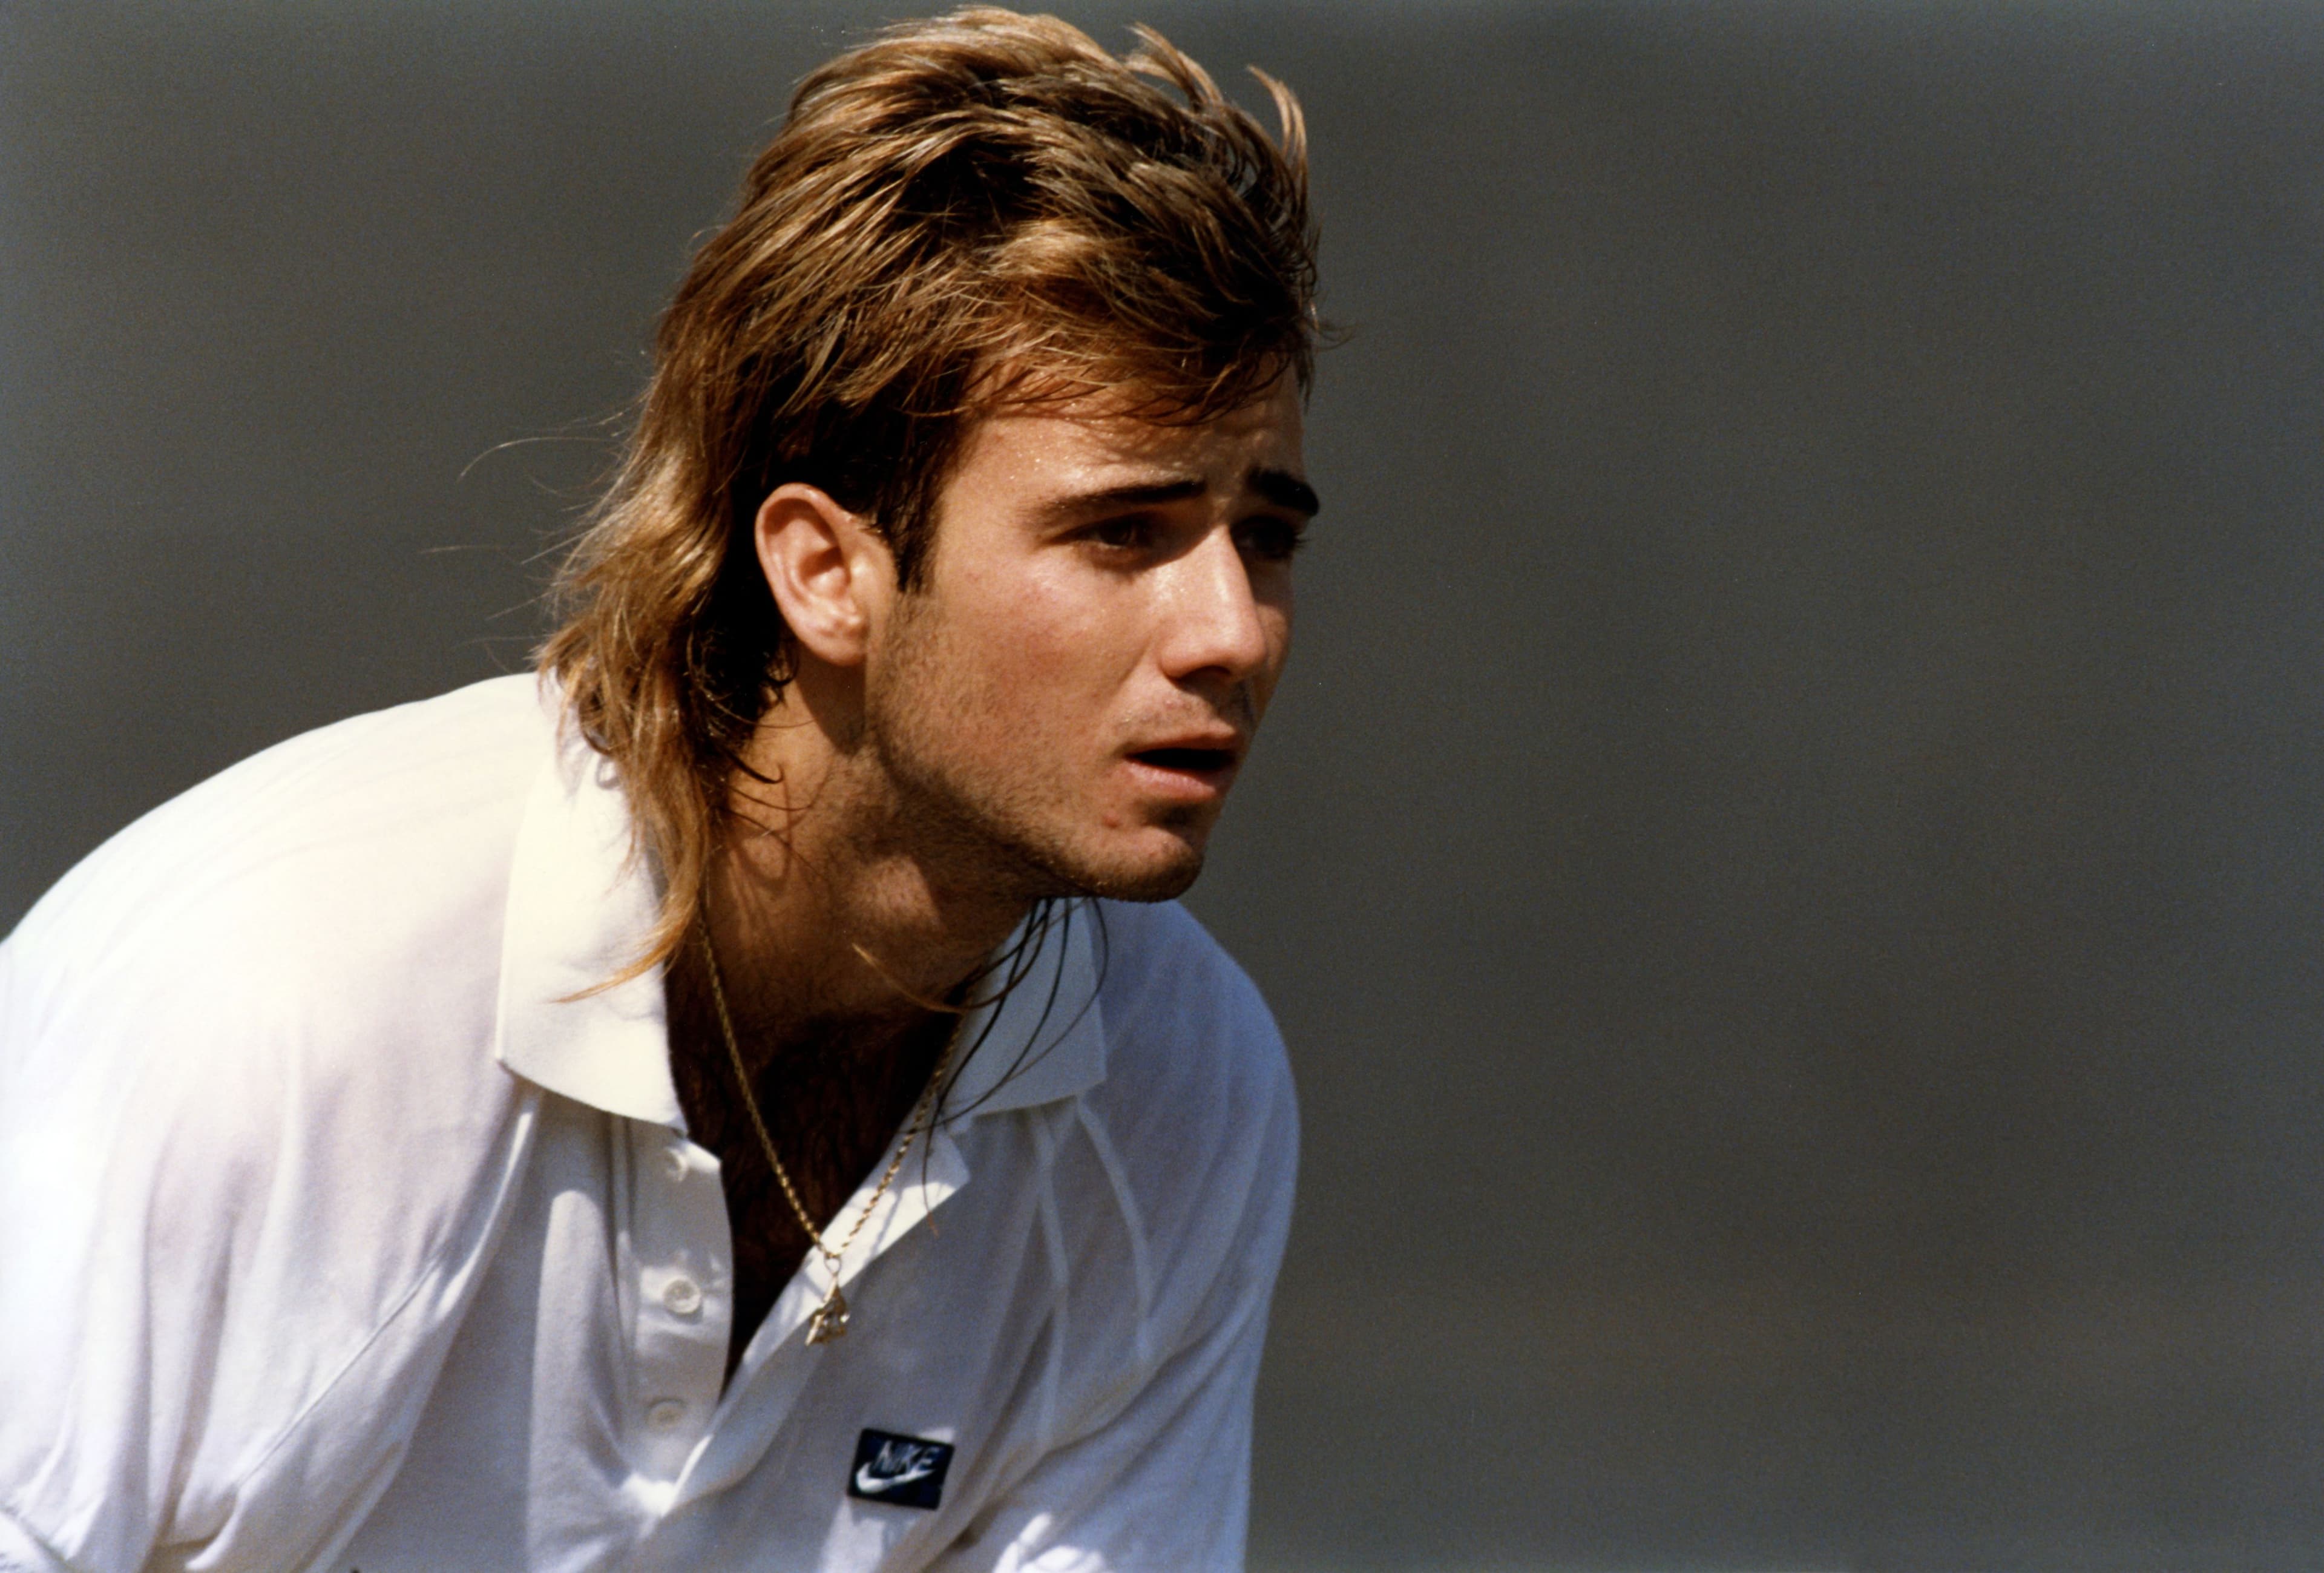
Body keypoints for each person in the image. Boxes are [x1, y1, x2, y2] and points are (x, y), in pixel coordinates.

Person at [0, 10, 1320, 1570]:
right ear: (825, 571)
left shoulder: (1181, 1092)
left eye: (1267, 536)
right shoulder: (282, 999)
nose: (1232, 631)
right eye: (1124, 533)